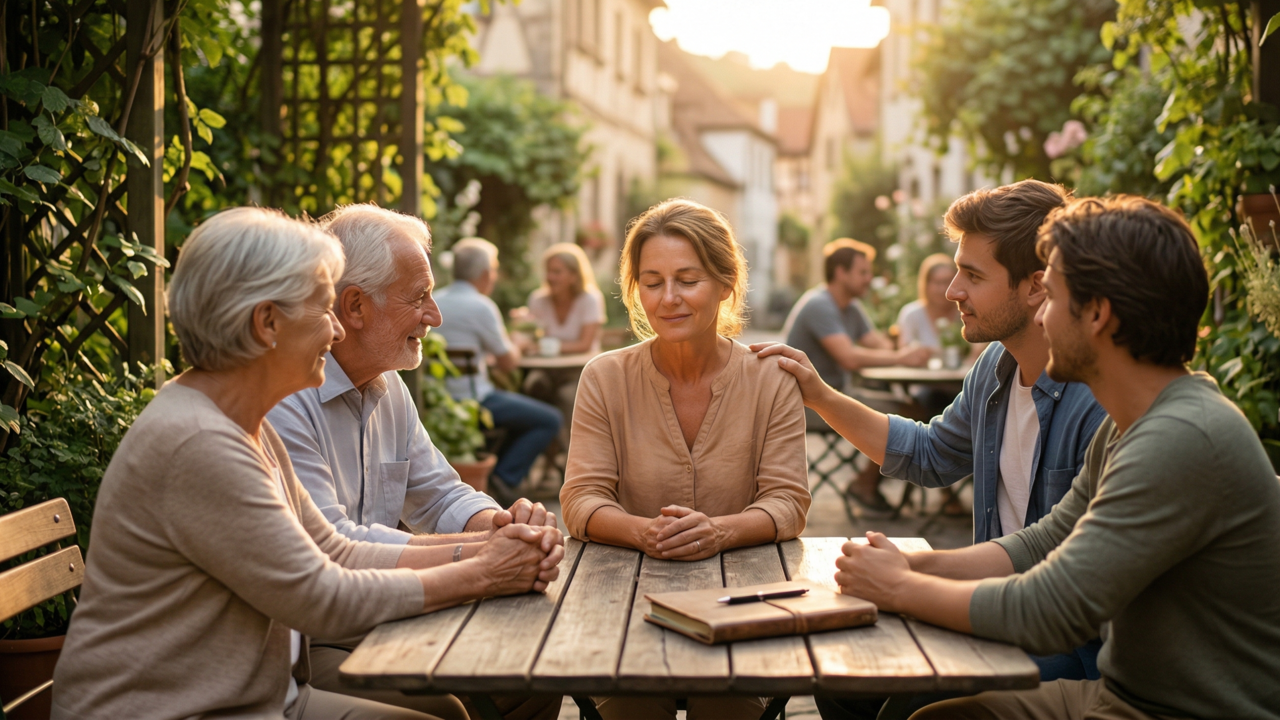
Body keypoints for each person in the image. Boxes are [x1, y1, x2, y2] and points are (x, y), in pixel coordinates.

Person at [51, 208, 563, 720]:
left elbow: (333, 548)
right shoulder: (200, 442)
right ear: (267, 323)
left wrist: (493, 547)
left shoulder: (242, 424)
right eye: (323, 308)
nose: (336, 329)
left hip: (259, 695)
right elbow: (324, 596)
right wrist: (484, 571)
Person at [836, 196, 1280, 720]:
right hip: (1121, 692)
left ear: (1097, 314)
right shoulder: (1131, 423)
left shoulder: (1181, 438)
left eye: (1054, 295)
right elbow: (1042, 541)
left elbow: (1051, 609)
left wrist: (901, 586)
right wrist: (909, 564)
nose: (1042, 314)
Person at [755, 180, 1107, 720]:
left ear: (1036, 286)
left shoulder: (1096, 402)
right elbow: (930, 453)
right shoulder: (995, 366)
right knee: (842, 672)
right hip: (987, 611)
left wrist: (910, 576)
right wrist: (821, 396)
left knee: (905, 699)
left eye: (972, 275)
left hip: (1063, 647)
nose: (951, 291)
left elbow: (1062, 571)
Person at [265, 204, 562, 720]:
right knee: (455, 703)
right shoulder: (285, 396)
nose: (436, 315)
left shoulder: (386, 386)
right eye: (419, 297)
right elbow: (333, 550)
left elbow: (442, 492)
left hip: (378, 613)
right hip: (311, 642)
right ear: (355, 306)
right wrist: (485, 555)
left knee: (533, 672)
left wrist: (499, 522)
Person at [560, 198, 810, 720]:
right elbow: (581, 500)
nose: (668, 298)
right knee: (631, 699)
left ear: (725, 283)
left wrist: (719, 532)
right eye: (652, 282)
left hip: (744, 604)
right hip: (622, 604)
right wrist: (642, 532)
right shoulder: (604, 378)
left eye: (687, 280)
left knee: (728, 703)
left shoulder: (772, 379)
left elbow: (788, 503)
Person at [781, 238, 932, 512]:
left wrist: (904, 351)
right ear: (841, 273)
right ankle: (865, 484)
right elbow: (848, 357)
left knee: (914, 409)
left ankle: (867, 483)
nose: (869, 279)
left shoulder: (850, 307)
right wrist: (901, 356)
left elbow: (880, 344)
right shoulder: (819, 305)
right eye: (863, 272)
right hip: (805, 404)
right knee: (908, 414)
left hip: (838, 395)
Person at [435, 237, 563, 505]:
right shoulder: (481, 305)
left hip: (438, 402)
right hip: (476, 402)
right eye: (493, 269)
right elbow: (509, 363)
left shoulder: (435, 301)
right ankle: (503, 477)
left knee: (522, 412)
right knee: (549, 418)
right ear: (484, 274)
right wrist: (516, 343)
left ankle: (496, 473)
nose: (493, 276)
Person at [524, 242, 607, 355]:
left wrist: (543, 347)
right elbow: (532, 340)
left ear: (574, 276)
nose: (550, 277)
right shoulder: (537, 300)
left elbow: (585, 345)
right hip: (547, 366)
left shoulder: (590, 299)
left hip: (581, 367)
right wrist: (523, 325)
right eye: (548, 271)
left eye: (557, 272)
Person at [896, 253, 961, 353]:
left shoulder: (964, 314)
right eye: (937, 282)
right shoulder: (911, 314)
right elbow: (904, 351)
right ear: (925, 284)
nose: (942, 289)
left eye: (947, 281)